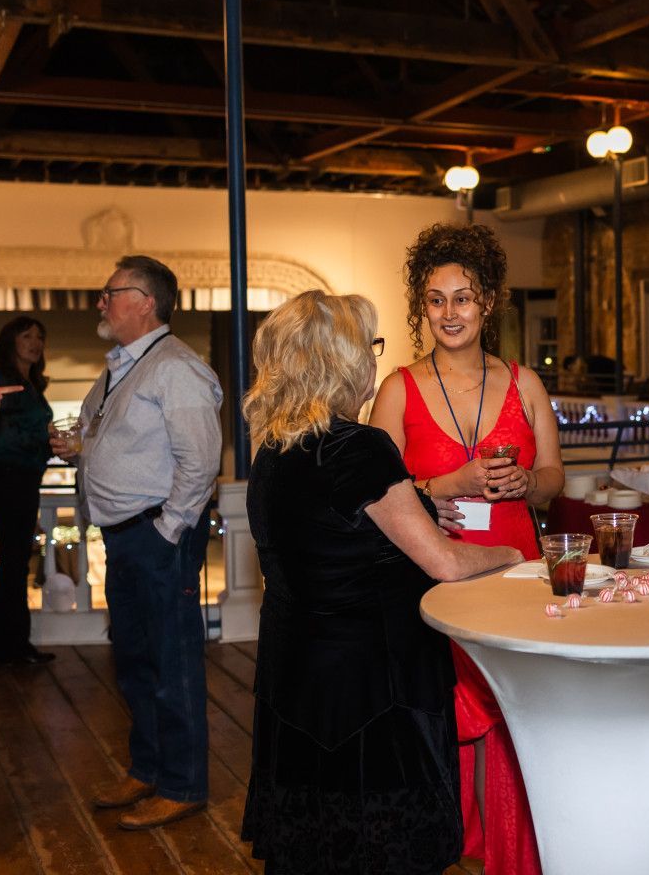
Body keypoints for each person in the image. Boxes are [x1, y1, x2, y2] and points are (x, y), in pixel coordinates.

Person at [241, 291, 522, 875]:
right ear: (343, 360)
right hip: (372, 690)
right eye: (370, 345)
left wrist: (419, 504)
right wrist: (514, 554)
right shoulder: (360, 447)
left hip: (297, 678)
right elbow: (444, 564)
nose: (375, 358)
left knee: (314, 849)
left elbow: (334, 530)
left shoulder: (273, 450)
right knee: (381, 849)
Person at [369, 223, 562, 875]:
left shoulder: (526, 384)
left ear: (489, 303)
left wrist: (528, 482)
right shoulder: (397, 389)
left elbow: (555, 478)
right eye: (436, 299)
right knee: (450, 711)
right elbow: (373, 493)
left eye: (463, 298)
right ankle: (450, 846)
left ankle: (515, 852)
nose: (450, 312)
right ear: (421, 308)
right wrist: (440, 485)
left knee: (513, 709)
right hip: (435, 578)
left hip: (518, 574)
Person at [55, 255, 222, 830]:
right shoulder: (120, 368)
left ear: (146, 302)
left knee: (172, 662)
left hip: (156, 537)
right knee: (134, 661)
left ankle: (183, 785)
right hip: (123, 537)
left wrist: (167, 530)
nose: (100, 301)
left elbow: (200, 462)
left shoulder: (176, 368)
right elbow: (123, 442)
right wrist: (82, 452)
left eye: (111, 292)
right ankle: (148, 768)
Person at [0, 316, 57, 665]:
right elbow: (5, 436)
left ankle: (5, 646)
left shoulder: (29, 383)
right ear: (11, 341)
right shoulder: (4, 382)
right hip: (9, 476)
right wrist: (49, 442)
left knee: (15, 560)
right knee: (14, 560)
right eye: (27, 336)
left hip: (20, 476)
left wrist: (52, 442)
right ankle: (12, 646)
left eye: (40, 336)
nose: (35, 342)